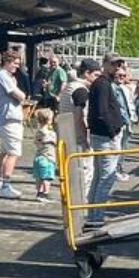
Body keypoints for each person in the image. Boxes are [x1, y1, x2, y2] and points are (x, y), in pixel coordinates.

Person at [85, 54, 130, 222]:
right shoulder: (103, 84)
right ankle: (95, 219)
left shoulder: (103, 84)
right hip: (105, 137)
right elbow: (102, 112)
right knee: (106, 178)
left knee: (99, 177)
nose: (117, 69)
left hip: (103, 135)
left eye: (119, 65)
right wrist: (113, 132)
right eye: (113, 65)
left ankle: (93, 216)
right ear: (105, 65)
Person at [57, 58, 98, 222]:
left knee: (73, 175)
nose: (96, 78)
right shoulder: (80, 90)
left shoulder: (69, 87)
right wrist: (85, 139)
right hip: (77, 138)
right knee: (84, 174)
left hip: (65, 135)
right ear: (87, 73)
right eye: (95, 75)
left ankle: (76, 208)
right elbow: (79, 116)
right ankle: (83, 209)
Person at [0, 51, 28, 200]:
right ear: (7, 62)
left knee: (5, 151)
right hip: (9, 117)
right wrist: (23, 95)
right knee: (14, 152)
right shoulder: (3, 76)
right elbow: (18, 94)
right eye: (15, 64)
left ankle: (1, 184)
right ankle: (5, 185)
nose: (16, 67)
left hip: (6, 117)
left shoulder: (5, 76)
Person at [33, 109, 59, 201]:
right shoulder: (51, 133)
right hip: (48, 158)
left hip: (39, 157)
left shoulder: (38, 132)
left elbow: (36, 142)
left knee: (39, 178)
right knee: (47, 178)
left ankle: (39, 193)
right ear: (49, 120)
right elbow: (55, 142)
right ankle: (45, 194)